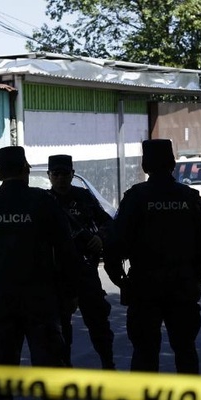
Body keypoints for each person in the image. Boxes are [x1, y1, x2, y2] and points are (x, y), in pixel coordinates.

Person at [0, 146, 84, 400]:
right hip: (41, 299)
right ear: (26, 169)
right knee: (50, 362)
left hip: (2, 299)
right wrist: (71, 293)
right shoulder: (43, 202)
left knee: (2, 362)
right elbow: (67, 251)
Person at [104, 139, 201, 400]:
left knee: (145, 351)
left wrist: (118, 277)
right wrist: (197, 276)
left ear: (145, 165)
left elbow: (116, 241)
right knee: (185, 347)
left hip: (145, 286)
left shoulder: (137, 197)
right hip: (183, 285)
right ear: (173, 164)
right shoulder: (190, 197)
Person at [46, 154, 116, 370]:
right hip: (58, 275)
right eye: (56, 174)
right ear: (49, 176)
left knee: (98, 323)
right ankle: (65, 366)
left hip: (85, 270)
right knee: (61, 328)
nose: (60, 178)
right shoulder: (45, 201)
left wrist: (100, 238)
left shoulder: (83, 197)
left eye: (65, 174)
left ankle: (107, 363)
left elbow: (108, 223)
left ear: (72, 174)